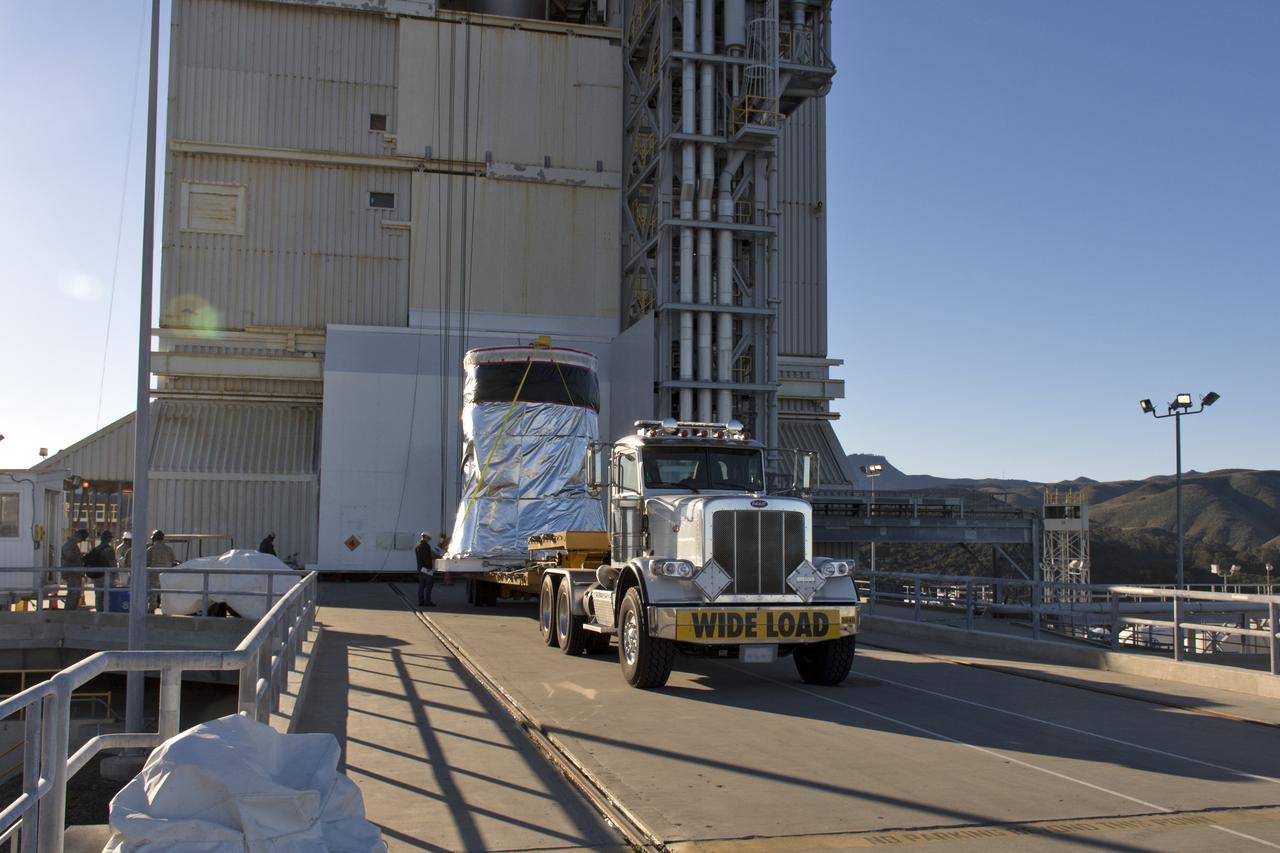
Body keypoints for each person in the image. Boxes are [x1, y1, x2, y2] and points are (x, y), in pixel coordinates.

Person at [82, 530, 117, 612]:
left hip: (95, 575)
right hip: (105, 575)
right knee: (107, 594)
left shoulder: (96, 549)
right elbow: (113, 564)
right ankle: (106, 612)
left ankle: (99, 611)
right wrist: (115, 574)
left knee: (98, 595)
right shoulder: (109, 549)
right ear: (109, 539)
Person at [147, 530, 178, 613]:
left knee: (153, 591)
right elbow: (173, 561)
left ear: (154, 539)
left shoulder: (151, 549)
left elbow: (147, 562)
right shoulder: (169, 549)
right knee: (164, 591)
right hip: (166, 573)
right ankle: (165, 608)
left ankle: (152, 608)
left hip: (154, 573)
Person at [60, 528, 89, 610]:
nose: (81, 541)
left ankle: (71, 611)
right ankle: (68, 613)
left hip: (75, 573)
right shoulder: (69, 545)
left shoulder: (72, 545)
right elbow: (70, 557)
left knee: (76, 594)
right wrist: (81, 557)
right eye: (82, 539)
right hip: (71, 573)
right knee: (73, 594)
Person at [415, 533, 436, 607]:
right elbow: (427, 558)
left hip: (420, 569)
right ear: (425, 537)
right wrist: (430, 569)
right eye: (428, 538)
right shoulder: (426, 546)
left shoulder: (417, 546)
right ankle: (428, 601)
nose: (429, 540)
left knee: (421, 586)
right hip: (427, 569)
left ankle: (421, 601)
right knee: (429, 586)